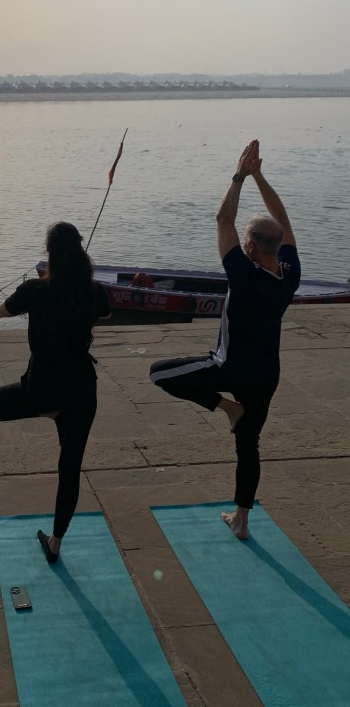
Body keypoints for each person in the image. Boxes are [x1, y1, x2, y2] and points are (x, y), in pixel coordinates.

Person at [150, 140, 300, 539]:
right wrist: (260, 177)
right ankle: (242, 519)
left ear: (250, 247)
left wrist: (239, 175)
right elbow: (281, 217)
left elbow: (222, 219)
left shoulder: (243, 274)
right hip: (266, 375)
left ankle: (226, 408)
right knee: (248, 445)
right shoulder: (290, 273)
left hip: (229, 367)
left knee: (159, 375)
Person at [0, 222, 110, 564]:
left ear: (50, 255)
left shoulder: (34, 291)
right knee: (70, 467)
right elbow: (105, 313)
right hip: (81, 390)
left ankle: (48, 410)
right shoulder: (93, 292)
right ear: (80, 252)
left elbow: (1, 311)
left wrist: (30, 300)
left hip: (42, 390)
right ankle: (56, 542)